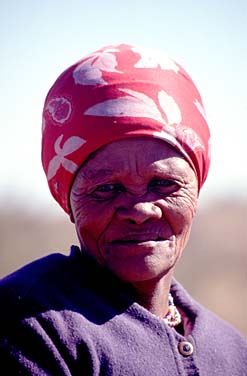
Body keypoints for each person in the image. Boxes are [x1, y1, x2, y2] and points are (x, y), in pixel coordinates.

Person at [0, 44, 246, 375]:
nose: (141, 209)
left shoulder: (231, 350)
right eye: (106, 189)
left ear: (196, 191)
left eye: (164, 184)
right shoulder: (27, 324)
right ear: (68, 202)